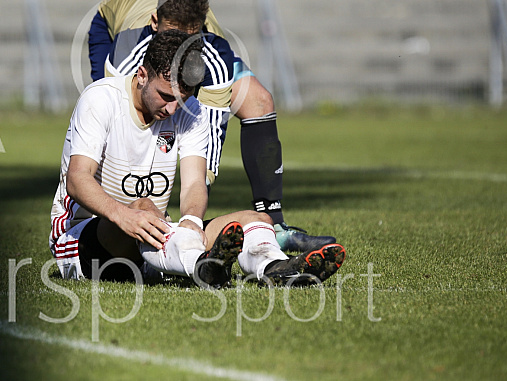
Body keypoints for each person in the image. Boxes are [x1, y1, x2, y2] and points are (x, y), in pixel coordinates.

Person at [50, 30, 346, 287]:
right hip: (81, 242)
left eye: (181, 99)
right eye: (165, 96)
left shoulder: (191, 111)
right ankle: (201, 265)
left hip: (155, 237)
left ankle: (275, 268)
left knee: (256, 220)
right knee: (144, 208)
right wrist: (126, 216)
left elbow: (194, 183)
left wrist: (191, 221)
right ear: (141, 75)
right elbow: (78, 179)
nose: (171, 110)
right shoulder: (100, 99)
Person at [87, 0, 335, 253]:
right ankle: (111, 221)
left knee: (260, 101)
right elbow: (121, 114)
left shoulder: (213, 52)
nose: (181, 48)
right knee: (119, 111)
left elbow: (212, 129)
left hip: (202, 50)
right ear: (156, 22)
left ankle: (274, 226)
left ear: (201, 30)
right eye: (173, 37)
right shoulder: (128, 51)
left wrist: (194, 204)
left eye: (189, 40)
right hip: (108, 27)